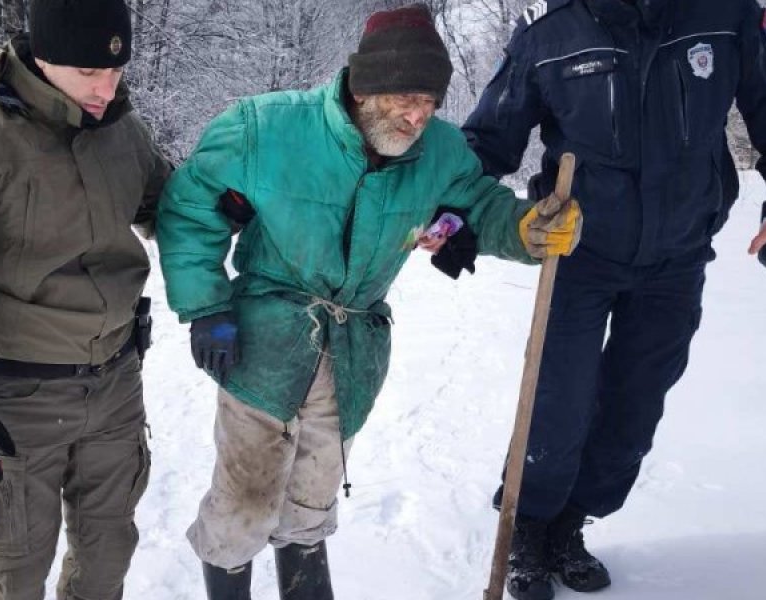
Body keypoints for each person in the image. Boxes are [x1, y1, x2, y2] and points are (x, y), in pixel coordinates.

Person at [155, 4, 583, 599]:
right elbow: (189, 204)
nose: (418, 116)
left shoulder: (438, 151)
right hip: (262, 341)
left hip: (352, 350)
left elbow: (479, 207)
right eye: (407, 98)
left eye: (431, 103)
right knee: (244, 500)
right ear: (365, 86)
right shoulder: (265, 128)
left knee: (311, 499)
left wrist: (527, 229)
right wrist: (205, 307)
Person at [461, 0, 766, 598]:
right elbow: (488, 139)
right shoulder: (550, 29)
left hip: (677, 255)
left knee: (634, 406)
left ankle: (571, 523)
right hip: (575, 255)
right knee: (558, 400)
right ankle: (530, 526)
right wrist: (448, 216)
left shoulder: (725, 15)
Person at [0, 1, 170, 598]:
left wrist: (217, 204)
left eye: (116, 74)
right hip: (18, 397)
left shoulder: (122, 131)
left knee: (107, 555)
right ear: (44, 57)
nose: (106, 90)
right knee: (17, 568)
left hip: (117, 384)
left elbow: (164, 206)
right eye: (89, 74)